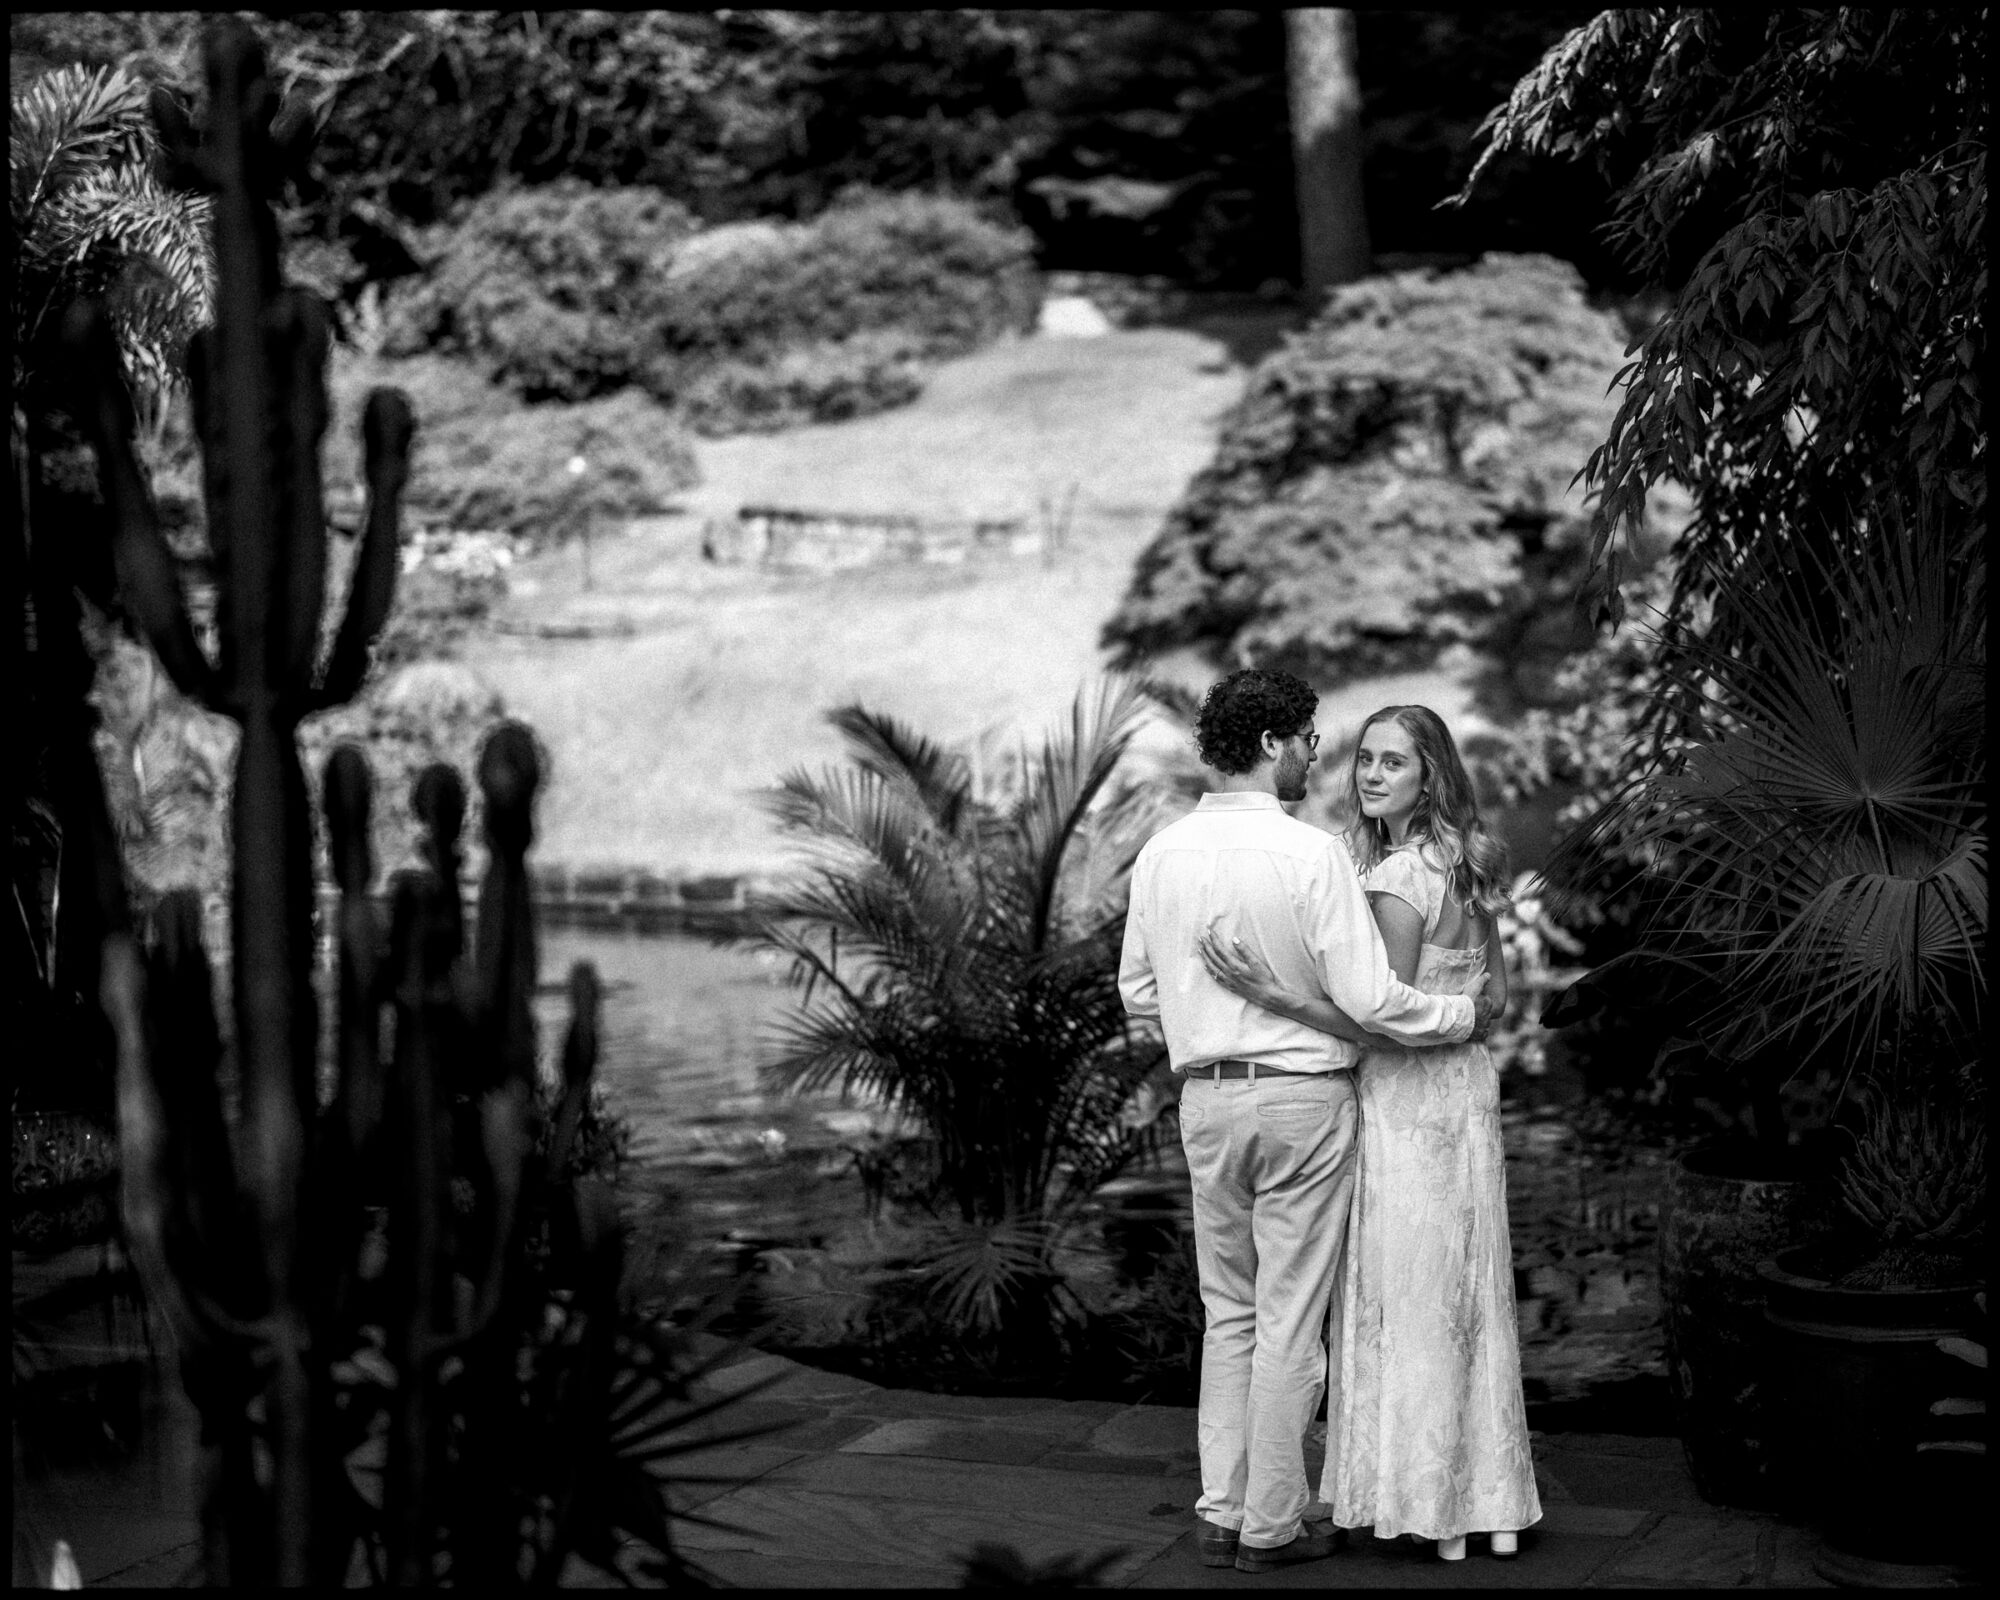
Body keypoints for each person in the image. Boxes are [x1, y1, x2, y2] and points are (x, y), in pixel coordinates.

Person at [1118, 671, 1492, 1575]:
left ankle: (1222, 1512)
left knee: (1228, 1316)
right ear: (1279, 742)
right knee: (1289, 1321)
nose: (1317, 757)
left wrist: (1209, 1027)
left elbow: (1138, 996)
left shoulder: (1161, 854)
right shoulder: (1312, 854)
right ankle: (1273, 1525)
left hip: (1205, 1100)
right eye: (1311, 741)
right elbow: (1370, 1001)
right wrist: (1459, 1017)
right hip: (1302, 1102)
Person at [1198, 703, 1542, 1562]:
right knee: (1469, 1297)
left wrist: (1272, 995)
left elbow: (1376, 1018)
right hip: (1465, 1094)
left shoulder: (1392, 880)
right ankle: (1487, 1501)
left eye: (1393, 762)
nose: (1370, 775)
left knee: (1408, 1303)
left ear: (1432, 774)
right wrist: (1462, 1016)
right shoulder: (1468, 862)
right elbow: (1492, 1000)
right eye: (1365, 761)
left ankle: (1423, 1502)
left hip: (1402, 1103)